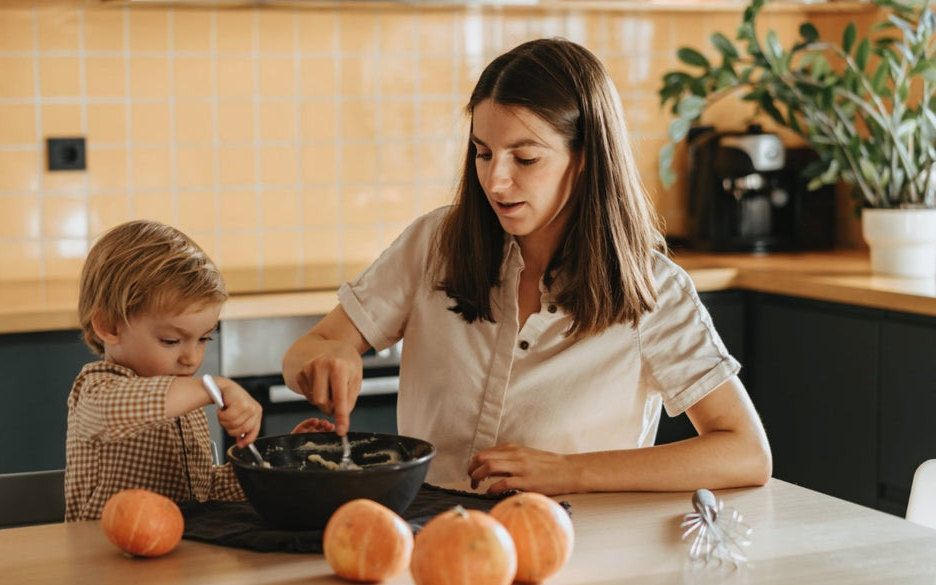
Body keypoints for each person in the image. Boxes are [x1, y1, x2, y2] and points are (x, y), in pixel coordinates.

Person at [282, 38, 772, 496]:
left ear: (586, 157)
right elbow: (307, 350)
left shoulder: (653, 290)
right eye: (483, 153)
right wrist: (329, 357)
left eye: (526, 158)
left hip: (577, 540)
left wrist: (571, 472)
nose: (496, 181)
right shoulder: (434, 244)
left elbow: (746, 451)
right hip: (431, 532)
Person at [66, 220, 331, 521]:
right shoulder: (94, 391)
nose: (192, 359)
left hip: (179, 546)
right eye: (171, 341)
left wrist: (282, 459)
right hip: (103, 549)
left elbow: (204, 492)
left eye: (204, 339)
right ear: (109, 326)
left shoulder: (187, 404)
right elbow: (120, 408)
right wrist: (213, 386)